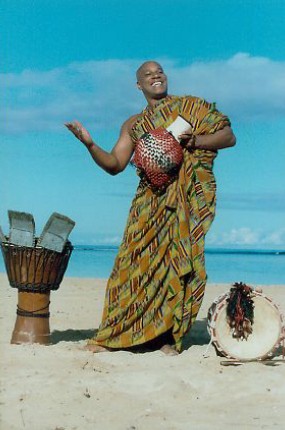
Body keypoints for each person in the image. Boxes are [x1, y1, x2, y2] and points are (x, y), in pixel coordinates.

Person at [65, 61, 236, 355]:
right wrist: (90, 145)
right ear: (138, 86)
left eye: (159, 72)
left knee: (178, 265)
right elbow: (115, 165)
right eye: (148, 75)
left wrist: (194, 141)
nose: (155, 76)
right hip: (149, 202)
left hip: (184, 201)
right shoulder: (133, 124)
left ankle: (168, 339)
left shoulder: (191, 107)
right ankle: (116, 336)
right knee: (129, 265)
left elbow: (228, 136)